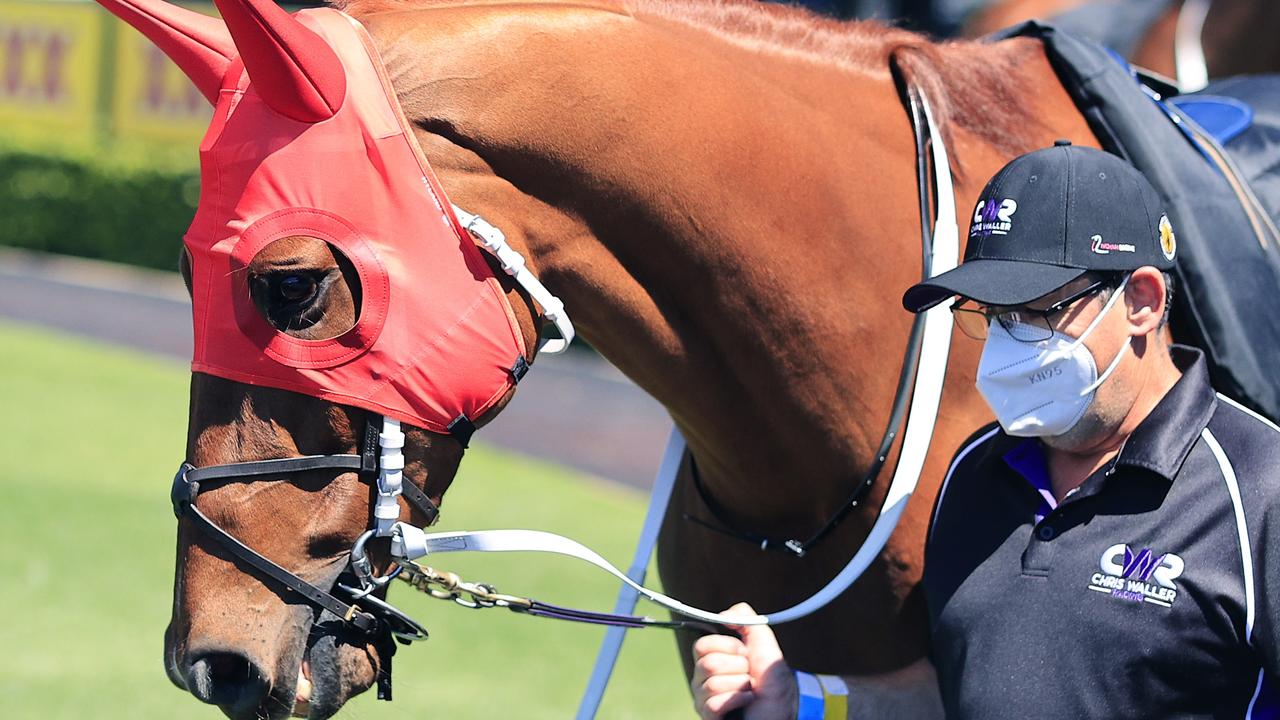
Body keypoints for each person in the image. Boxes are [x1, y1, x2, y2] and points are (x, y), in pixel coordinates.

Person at [691, 142, 1280, 719]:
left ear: (1142, 302)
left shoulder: (1260, 491)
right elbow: (951, 689)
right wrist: (801, 702)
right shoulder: (975, 469)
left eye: (1032, 311)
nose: (1006, 346)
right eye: (994, 317)